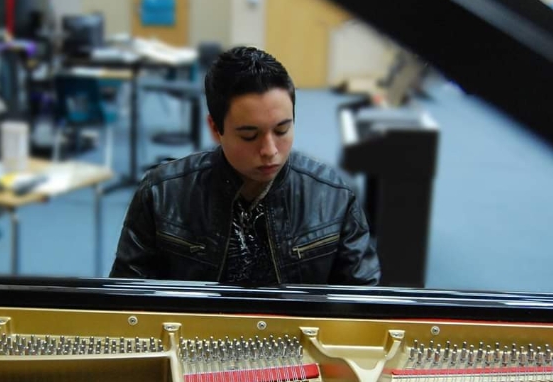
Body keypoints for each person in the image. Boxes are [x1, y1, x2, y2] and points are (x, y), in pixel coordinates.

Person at [110, 46, 380, 285]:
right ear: (215, 128)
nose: (270, 151)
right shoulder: (161, 194)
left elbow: (363, 308)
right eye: (249, 135)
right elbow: (128, 301)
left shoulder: (334, 196)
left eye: (282, 130)